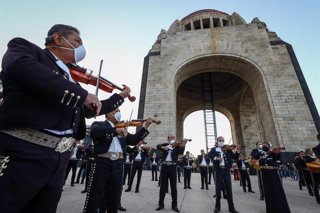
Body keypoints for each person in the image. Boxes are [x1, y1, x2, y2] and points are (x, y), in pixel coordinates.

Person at [0, 24, 132, 213]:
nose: (81, 47)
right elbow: (19, 66)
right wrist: (82, 94)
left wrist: (120, 97)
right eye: (77, 41)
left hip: (58, 160)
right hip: (21, 153)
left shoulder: (71, 78)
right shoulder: (27, 49)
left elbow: (88, 110)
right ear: (58, 38)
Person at [83, 109, 154, 213]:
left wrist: (145, 126)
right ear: (108, 114)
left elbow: (133, 140)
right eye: (116, 111)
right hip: (102, 162)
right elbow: (94, 133)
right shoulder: (99, 124)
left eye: (119, 111)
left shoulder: (122, 128)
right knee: (96, 194)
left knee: (114, 195)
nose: (118, 113)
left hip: (118, 164)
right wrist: (114, 130)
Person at [254, 142, 291, 213]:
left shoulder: (273, 153)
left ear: (269, 146)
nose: (264, 145)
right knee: (268, 192)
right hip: (265, 174)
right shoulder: (259, 153)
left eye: (266, 144)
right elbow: (254, 158)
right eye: (263, 144)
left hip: (273, 173)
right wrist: (265, 152)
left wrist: (275, 151)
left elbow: (277, 158)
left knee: (277, 191)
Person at [155, 135, 187, 213]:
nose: (172, 139)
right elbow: (157, 146)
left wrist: (183, 144)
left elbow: (181, 152)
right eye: (171, 138)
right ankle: (161, 204)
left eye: (174, 138)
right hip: (164, 167)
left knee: (173, 187)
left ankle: (174, 206)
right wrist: (163, 148)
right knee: (163, 186)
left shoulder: (177, 147)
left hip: (172, 167)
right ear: (168, 139)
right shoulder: (165, 144)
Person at [208, 136, 240, 213]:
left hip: (226, 170)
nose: (221, 142)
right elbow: (209, 155)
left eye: (223, 140)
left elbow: (235, 157)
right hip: (218, 170)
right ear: (217, 141)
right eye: (220, 140)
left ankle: (231, 208)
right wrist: (216, 158)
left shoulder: (228, 150)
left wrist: (237, 151)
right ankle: (217, 207)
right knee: (218, 189)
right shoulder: (214, 149)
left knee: (229, 189)